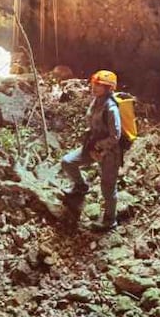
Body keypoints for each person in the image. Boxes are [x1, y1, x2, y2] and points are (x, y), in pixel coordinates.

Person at [61, 70, 123, 232]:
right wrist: (89, 142)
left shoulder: (111, 109)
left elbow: (115, 136)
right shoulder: (96, 101)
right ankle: (81, 187)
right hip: (92, 146)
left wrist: (99, 148)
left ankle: (110, 220)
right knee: (68, 162)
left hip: (109, 153)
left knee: (108, 188)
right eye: (94, 83)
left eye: (99, 85)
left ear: (109, 88)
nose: (94, 87)